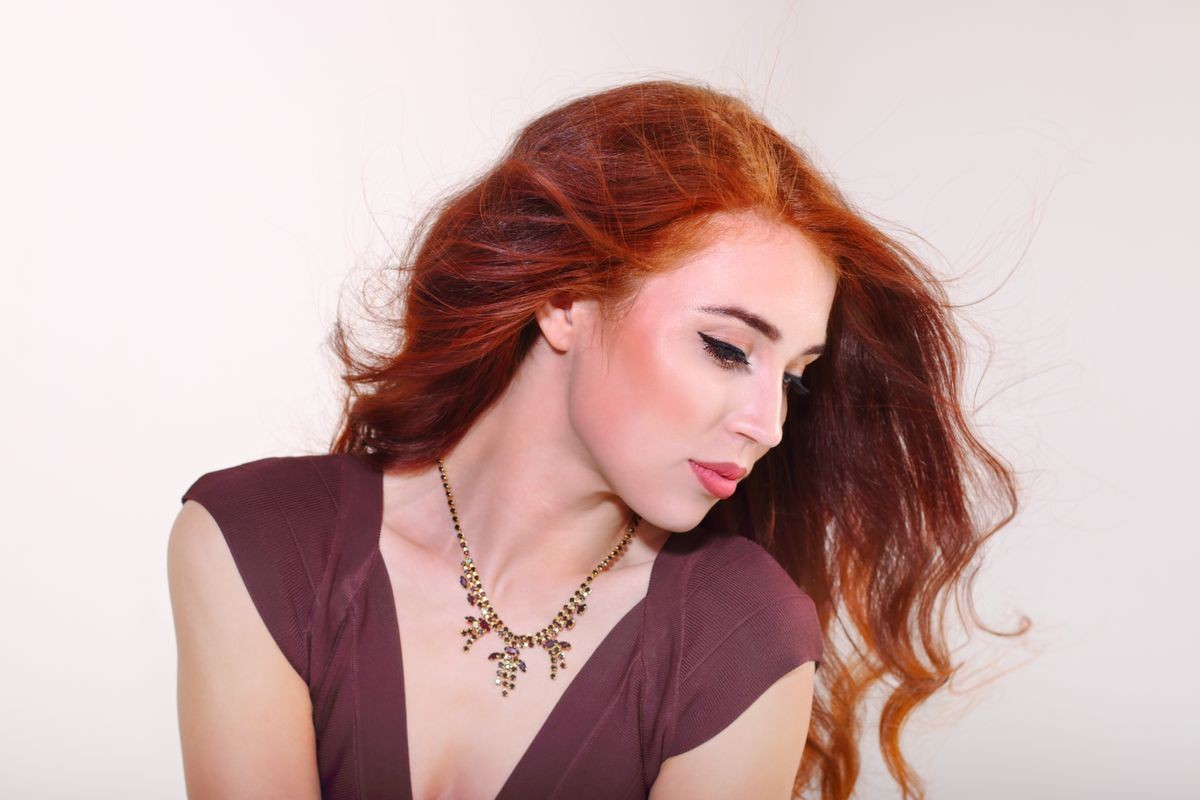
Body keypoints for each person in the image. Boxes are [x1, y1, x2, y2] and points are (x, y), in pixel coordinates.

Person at [167, 79, 1020, 800]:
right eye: (726, 349)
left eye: (795, 376)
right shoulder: (257, 542)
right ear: (567, 299)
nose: (769, 424)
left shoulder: (743, 639)